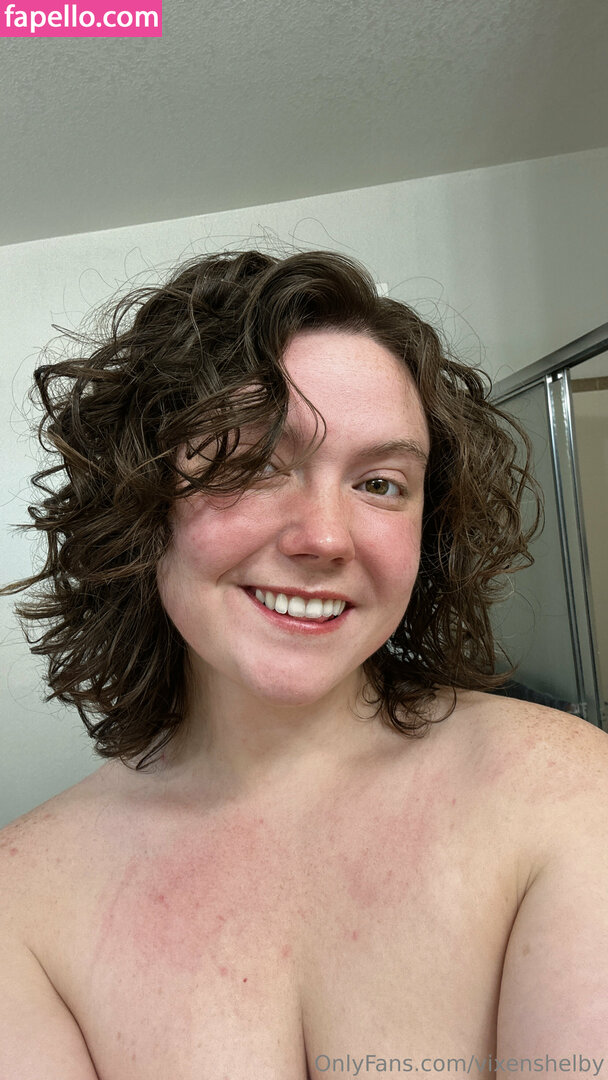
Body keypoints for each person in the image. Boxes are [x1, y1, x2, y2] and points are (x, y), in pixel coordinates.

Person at [1, 249, 607, 1080]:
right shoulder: (22, 907)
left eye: (381, 484)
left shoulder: (567, 794)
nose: (324, 537)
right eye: (254, 464)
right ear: (142, 504)